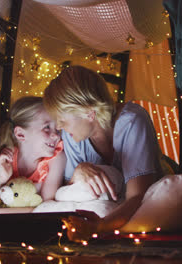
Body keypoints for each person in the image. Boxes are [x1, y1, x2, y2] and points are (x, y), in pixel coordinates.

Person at [43, 65, 163, 241]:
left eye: (62, 120)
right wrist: (79, 171)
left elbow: (138, 196)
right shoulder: (72, 135)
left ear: (89, 113)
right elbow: (69, 190)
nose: (59, 127)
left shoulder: (132, 122)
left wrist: (99, 227)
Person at [0, 96, 66, 214]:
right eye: (47, 127)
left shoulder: (56, 159)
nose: (56, 135)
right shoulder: (5, 156)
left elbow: (46, 210)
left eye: (57, 129)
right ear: (20, 134)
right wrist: (0, 180)